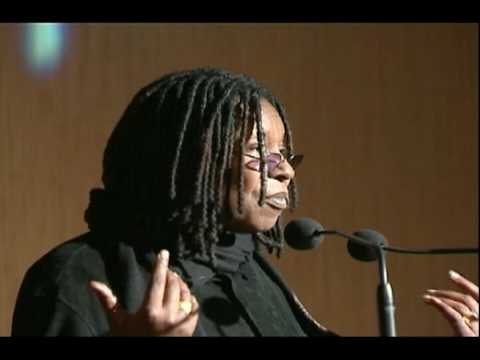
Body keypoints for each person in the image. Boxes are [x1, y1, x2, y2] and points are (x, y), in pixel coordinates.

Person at [11, 68, 478, 336]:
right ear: (191, 159)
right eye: (259, 152)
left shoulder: (251, 271)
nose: (286, 170)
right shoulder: (74, 278)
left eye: (284, 153)